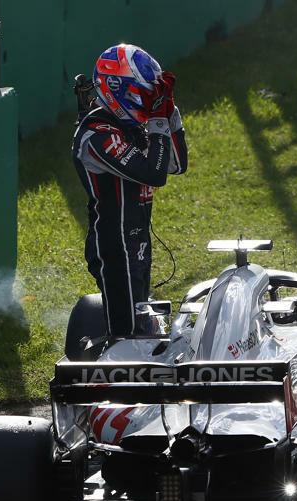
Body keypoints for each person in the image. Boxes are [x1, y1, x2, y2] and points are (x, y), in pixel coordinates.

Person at [71, 43, 188, 336]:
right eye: (143, 96)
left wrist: (170, 111)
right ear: (118, 90)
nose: (148, 105)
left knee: (140, 321)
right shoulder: (96, 136)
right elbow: (154, 173)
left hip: (137, 239)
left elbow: (176, 164)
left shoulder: (128, 129)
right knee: (126, 331)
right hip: (113, 244)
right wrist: (159, 121)